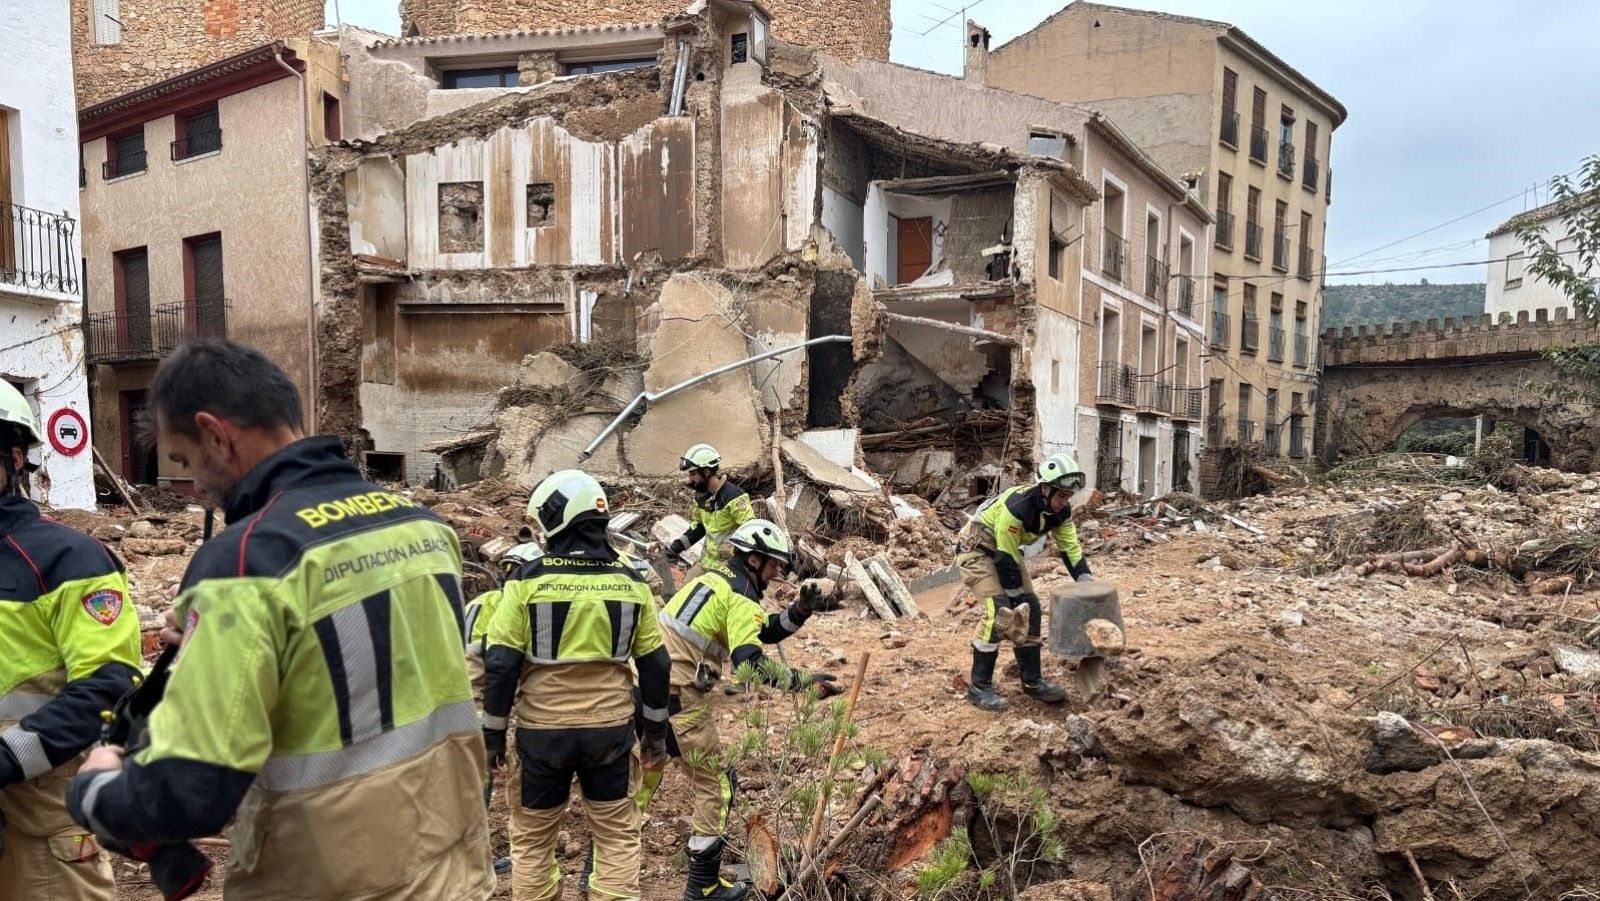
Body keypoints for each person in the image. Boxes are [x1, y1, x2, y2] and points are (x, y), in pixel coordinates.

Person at [65, 340, 493, 900]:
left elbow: (189, 793)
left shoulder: (244, 562)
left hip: (326, 878)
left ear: (215, 434)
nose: (193, 488)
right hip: (451, 867)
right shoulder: (422, 527)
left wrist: (94, 788)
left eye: (185, 461)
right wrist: (217, 641)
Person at [483, 470, 671, 901]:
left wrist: (493, 734)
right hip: (611, 733)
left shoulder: (526, 580)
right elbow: (656, 665)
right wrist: (656, 734)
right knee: (618, 837)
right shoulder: (632, 582)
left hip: (541, 736)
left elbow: (500, 661)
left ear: (554, 518)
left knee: (531, 841)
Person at [646, 518, 838, 901]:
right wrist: (802, 682)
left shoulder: (713, 578)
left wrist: (799, 611)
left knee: (645, 774)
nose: (778, 571)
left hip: (647, 684)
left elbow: (761, 628)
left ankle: (598, 867)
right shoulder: (740, 595)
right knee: (717, 782)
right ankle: (702, 887)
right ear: (754, 559)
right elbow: (751, 659)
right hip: (679, 694)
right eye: (774, 564)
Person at [0, 382, 140, 900]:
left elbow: (110, 684)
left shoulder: (69, 559)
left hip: (39, 823)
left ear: (15, 458)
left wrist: (6, 757)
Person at [956, 453, 1091, 712]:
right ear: (1045, 489)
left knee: (1031, 606)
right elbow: (1004, 559)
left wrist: (1085, 580)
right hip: (977, 550)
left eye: (1068, 497)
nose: (1065, 502)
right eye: (1061, 495)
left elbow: (1070, 548)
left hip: (1004, 551)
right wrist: (1014, 602)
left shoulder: (1060, 513)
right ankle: (979, 687)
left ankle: (1032, 681)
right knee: (999, 609)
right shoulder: (1017, 508)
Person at [666, 444, 754, 579]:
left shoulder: (734, 496)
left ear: (706, 472)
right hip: (706, 561)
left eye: (693, 473)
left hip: (727, 568)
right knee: (685, 594)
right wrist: (675, 548)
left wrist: (731, 554)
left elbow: (750, 530)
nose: (690, 478)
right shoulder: (700, 497)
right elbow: (699, 528)